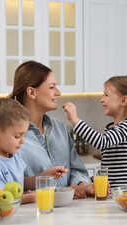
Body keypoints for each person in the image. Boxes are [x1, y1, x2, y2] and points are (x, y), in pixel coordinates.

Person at [8, 61, 94, 199]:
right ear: (31, 92)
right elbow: (7, 187)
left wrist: (82, 185)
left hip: (68, 212)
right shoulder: (10, 135)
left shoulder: (59, 127)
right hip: (31, 215)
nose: (58, 92)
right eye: (52, 87)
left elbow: (78, 169)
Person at [0, 98, 68, 204]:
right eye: (17, 136)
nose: (23, 141)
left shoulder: (13, 153)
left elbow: (20, 184)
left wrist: (46, 175)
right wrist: (32, 197)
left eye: (24, 135)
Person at [63, 76, 127, 188]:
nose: (101, 99)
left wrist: (75, 120)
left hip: (125, 192)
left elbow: (102, 141)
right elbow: (110, 169)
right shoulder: (113, 128)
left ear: (124, 100)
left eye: (106, 95)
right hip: (113, 192)